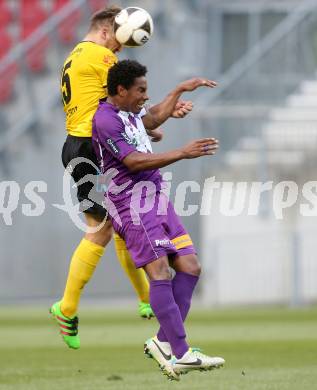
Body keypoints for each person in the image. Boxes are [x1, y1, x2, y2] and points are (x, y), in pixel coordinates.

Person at [50, 5, 194, 350]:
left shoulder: (74, 57)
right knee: (100, 230)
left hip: (83, 145)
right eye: (118, 42)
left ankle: (144, 297)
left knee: (121, 223)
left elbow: (116, 112)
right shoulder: (101, 57)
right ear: (104, 33)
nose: (119, 51)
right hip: (89, 149)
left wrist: (145, 130)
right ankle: (66, 308)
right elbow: (130, 105)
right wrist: (159, 118)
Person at [92, 59, 225, 381]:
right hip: (131, 203)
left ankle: (162, 343)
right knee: (160, 271)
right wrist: (182, 152)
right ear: (120, 90)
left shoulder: (129, 112)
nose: (144, 97)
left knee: (191, 267)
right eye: (140, 91)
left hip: (156, 197)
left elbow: (153, 117)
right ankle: (182, 353)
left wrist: (179, 89)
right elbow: (134, 161)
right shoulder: (105, 120)